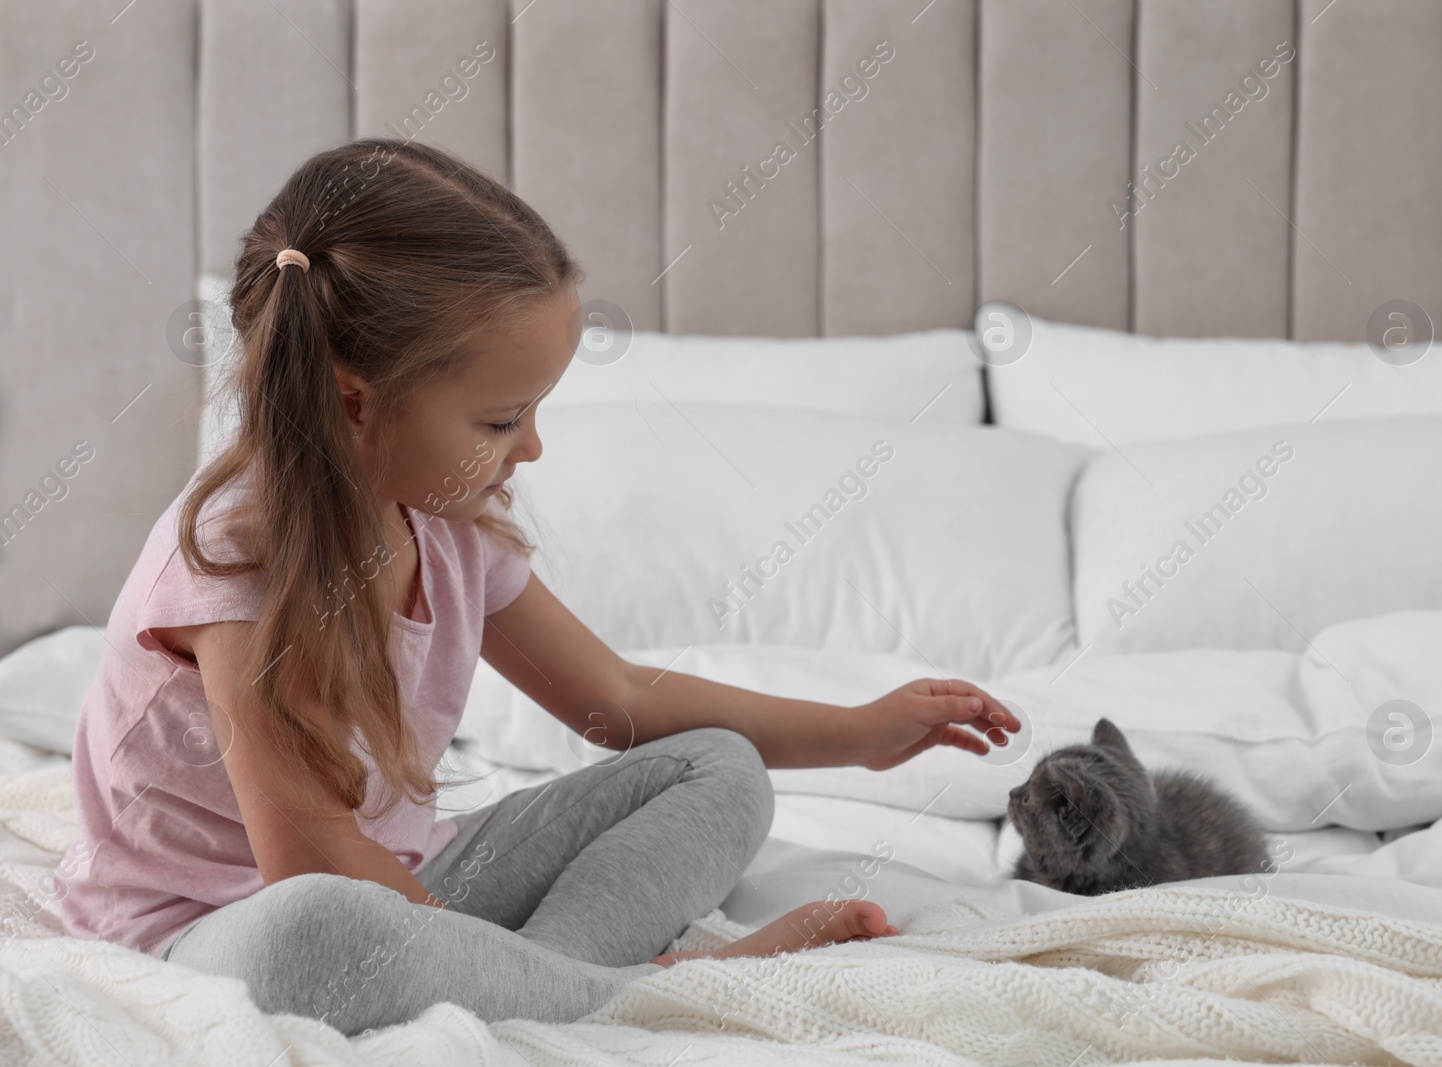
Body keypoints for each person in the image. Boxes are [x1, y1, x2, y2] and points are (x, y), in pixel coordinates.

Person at [51, 137, 1020, 1035]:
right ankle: (652, 996)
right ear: (355, 399)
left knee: (716, 766)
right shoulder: (235, 562)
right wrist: (440, 942)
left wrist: (860, 729)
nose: (533, 448)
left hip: (414, 881)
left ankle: (550, 985)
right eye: (501, 419)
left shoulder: (443, 521)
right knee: (319, 926)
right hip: (224, 926)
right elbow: (308, 865)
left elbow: (613, 700)